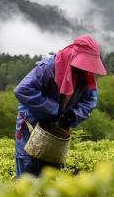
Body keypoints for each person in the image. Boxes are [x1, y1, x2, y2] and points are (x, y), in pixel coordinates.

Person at [13, 35, 106, 178]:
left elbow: (90, 100)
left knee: (50, 171)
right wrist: (54, 110)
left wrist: (73, 116)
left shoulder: (86, 75)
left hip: (57, 128)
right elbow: (23, 90)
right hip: (31, 124)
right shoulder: (49, 67)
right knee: (28, 168)